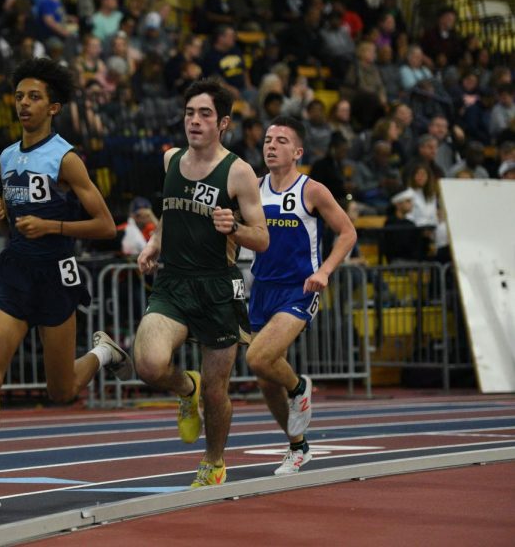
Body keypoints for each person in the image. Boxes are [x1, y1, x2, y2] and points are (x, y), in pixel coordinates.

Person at [0, 58, 131, 521]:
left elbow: (106, 225)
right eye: (19, 97)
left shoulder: (66, 158)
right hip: (14, 272)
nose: (24, 105)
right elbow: (20, 216)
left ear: (53, 107)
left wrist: (49, 223)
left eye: (34, 98)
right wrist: (4, 216)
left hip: (56, 274)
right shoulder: (7, 156)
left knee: (61, 391)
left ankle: (103, 353)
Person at [97, 78, 270, 488]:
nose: (194, 121)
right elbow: (171, 211)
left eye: (205, 114)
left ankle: (213, 461)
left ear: (223, 122)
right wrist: (155, 241)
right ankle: (183, 386)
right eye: (190, 113)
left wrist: (235, 229)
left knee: (216, 390)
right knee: (149, 364)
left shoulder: (239, 173)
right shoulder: (171, 159)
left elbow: (262, 236)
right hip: (173, 282)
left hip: (216, 288)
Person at [245, 115, 357, 475]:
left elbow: (347, 232)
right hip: (261, 288)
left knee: (258, 358)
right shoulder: (254, 188)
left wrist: (324, 271)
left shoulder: (312, 190)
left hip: (299, 288)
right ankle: (298, 448)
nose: (271, 145)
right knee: (265, 378)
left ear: (297, 151)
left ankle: (299, 387)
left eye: (280, 140)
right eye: (267, 139)